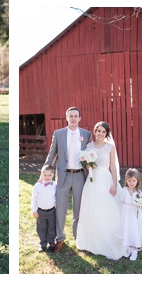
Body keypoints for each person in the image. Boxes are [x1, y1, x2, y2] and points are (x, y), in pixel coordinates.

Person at [43, 106, 92, 252]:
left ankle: (78, 236)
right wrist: (44, 171)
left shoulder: (86, 134)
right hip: (63, 176)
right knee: (60, 209)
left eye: (76, 116)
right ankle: (60, 238)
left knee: (78, 208)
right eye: (70, 116)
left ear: (80, 118)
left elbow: (90, 154)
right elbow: (52, 154)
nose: (73, 118)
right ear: (67, 118)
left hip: (79, 176)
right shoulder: (58, 134)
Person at [75, 121, 124, 260]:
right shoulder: (89, 146)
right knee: (92, 209)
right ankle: (91, 241)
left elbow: (113, 168)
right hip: (92, 181)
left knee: (106, 209)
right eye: (98, 131)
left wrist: (114, 185)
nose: (100, 134)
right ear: (95, 132)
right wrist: (87, 164)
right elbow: (86, 164)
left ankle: (107, 239)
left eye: (103, 131)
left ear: (106, 134)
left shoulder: (110, 147)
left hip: (105, 180)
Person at [118, 168, 142, 261]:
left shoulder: (139, 192)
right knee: (127, 229)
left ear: (137, 181)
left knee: (134, 230)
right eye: (129, 180)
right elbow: (121, 200)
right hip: (126, 214)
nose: (132, 182)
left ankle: (134, 250)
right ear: (126, 180)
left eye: (134, 180)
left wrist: (141, 203)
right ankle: (129, 247)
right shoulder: (124, 190)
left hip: (135, 214)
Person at [31, 165, 57, 252]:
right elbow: (34, 199)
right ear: (41, 175)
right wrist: (34, 210)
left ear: (53, 174)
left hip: (51, 211)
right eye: (45, 175)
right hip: (40, 211)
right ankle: (42, 244)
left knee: (51, 228)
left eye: (49, 175)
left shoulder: (54, 185)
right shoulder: (37, 186)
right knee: (41, 228)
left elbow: (56, 198)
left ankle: (51, 243)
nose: (47, 177)